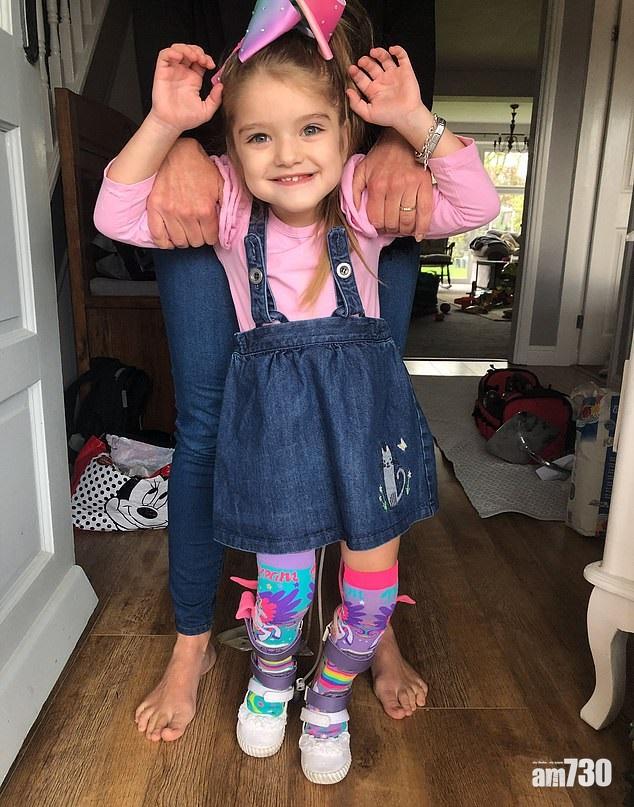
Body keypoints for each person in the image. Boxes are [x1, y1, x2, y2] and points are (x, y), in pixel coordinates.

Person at [94, 3, 499, 783]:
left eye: (311, 128)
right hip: (276, 443)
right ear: (232, 147)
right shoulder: (228, 207)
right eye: (259, 137)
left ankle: (329, 699)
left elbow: (476, 205)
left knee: (370, 598)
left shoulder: (364, 201)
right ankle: (272, 679)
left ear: (347, 134)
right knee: (279, 600)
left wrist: (412, 121)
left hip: (366, 435)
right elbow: (117, 211)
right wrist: (164, 123)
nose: (286, 154)